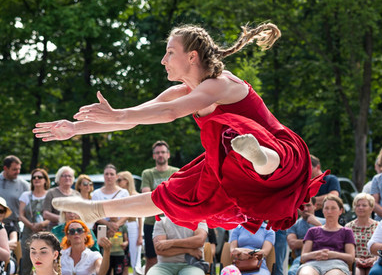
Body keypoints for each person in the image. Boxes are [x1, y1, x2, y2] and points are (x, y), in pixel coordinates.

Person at [33, 23, 323, 240]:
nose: (163, 60)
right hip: (224, 164)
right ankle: (96, 210)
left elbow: (168, 114)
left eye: (170, 53)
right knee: (172, 195)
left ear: (192, 57)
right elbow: (133, 119)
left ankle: (257, 157)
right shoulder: (181, 90)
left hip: (280, 156)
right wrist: (74, 129)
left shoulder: (219, 84)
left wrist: (117, 113)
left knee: (246, 149)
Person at [137, 141, 179, 275]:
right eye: (158, 153)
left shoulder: (176, 171)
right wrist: (167, 196)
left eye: (163, 152)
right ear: (154, 156)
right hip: (151, 221)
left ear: (168, 154)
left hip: (173, 221)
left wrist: (160, 196)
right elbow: (147, 196)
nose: (160, 155)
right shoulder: (148, 173)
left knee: (172, 258)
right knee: (151, 259)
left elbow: (178, 193)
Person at [117, 170, 145, 275]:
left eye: (120, 180)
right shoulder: (119, 195)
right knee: (120, 259)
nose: (118, 183)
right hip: (121, 228)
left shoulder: (134, 195)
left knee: (136, 261)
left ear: (126, 181)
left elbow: (140, 216)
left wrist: (140, 235)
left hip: (133, 226)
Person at [18, 168, 50, 275]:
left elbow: (53, 215)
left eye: (39, 177)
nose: (36, 179)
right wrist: (31, 225)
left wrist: (42, 224)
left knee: (46, 262)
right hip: (28, 233)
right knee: (26, 263)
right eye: (34, 177)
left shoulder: (49, 196)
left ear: (45, 180)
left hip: (46, 233)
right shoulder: (25, 195)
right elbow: (21, 215)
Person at [286, 198, 323, 275]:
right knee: (292, 273)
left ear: (315, 206)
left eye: (308, 205)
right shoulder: (293, 225)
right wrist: (316, 241)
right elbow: (292, 244)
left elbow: (333, 239)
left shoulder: (324, 222)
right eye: (302, 206)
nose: (305, 209)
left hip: (323, 257)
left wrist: (317, 224)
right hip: (302, 259)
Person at [0, 155, 30, 221]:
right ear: (5, 168)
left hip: (14, 223)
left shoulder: (24, 185)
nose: (18, 172)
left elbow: (29, 208)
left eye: (19, 169)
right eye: (14, 169)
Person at [346, 193, 378, 275]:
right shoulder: (348, 227)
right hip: (355, 263)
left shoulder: (378, 226)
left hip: (373, 262)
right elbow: (344, 249)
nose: (360, 207)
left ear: (371, 208)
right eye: (358, 205)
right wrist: (355, 259)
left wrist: (374, 259)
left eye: (364, 205)